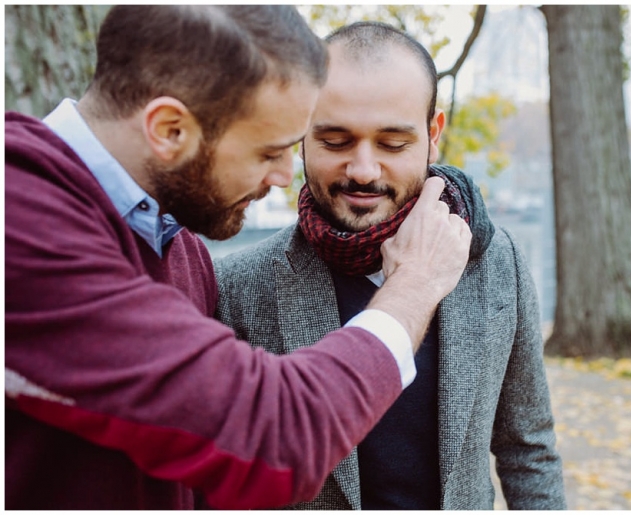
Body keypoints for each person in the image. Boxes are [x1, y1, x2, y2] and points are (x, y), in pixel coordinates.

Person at [5, 7, 472, 510]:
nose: (282, 176)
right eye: (268, 152)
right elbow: (273, 441)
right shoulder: (20, 223)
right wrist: (415, 284)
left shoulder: (178, 247)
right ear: (169, 129)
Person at [215, 21, 566, 510]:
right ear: (300, 135)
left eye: (393, 144)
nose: (363, 169)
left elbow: (527, 449)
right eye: (335, 141)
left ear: (433, 134)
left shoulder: (494, 259)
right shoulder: (235, 288)